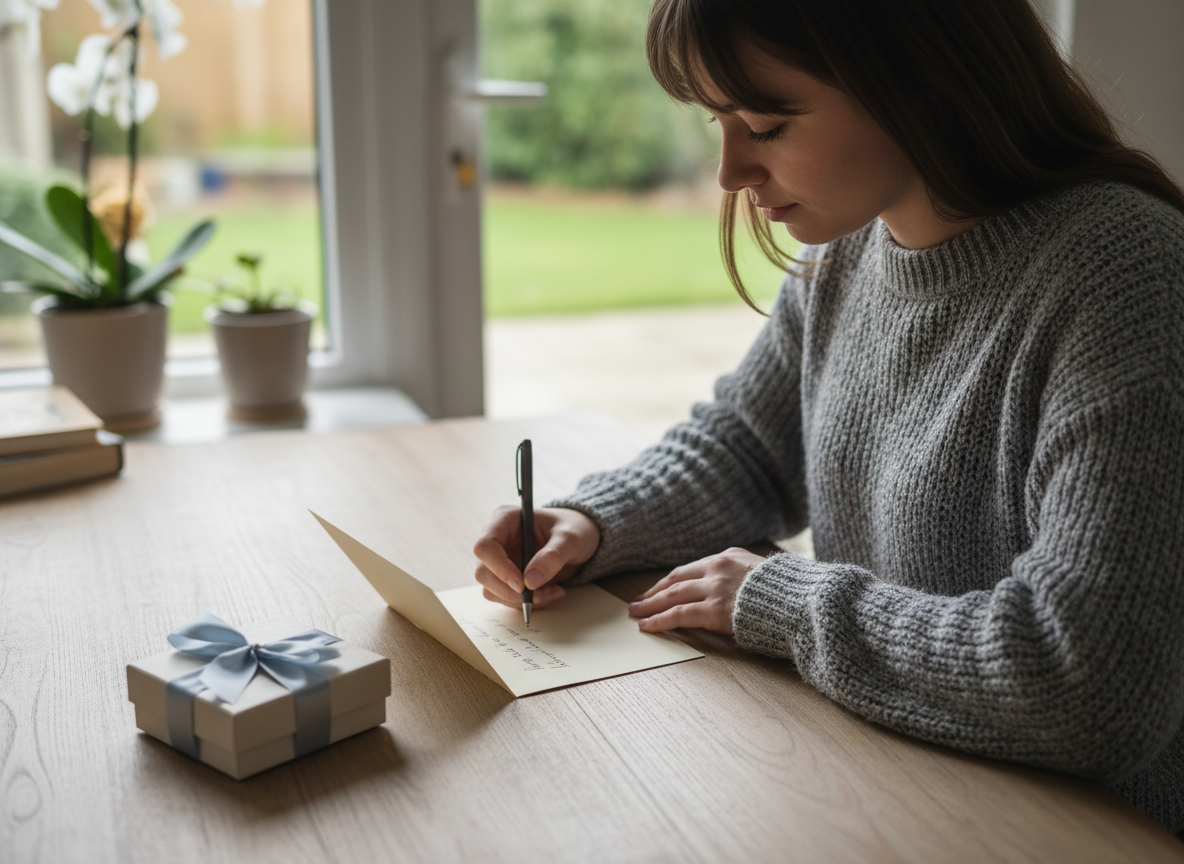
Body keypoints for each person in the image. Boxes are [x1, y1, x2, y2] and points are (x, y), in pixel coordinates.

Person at [472, 0, 1184, 834]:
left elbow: (1086, 682)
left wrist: (786, 603)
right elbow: (750, 447)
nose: (730, 172)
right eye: (720, 123)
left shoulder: (1132, 285)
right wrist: (595, 522)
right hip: (888, 792)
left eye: (767, 126)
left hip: (1078, 834)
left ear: (919, 82)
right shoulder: (847, 247)